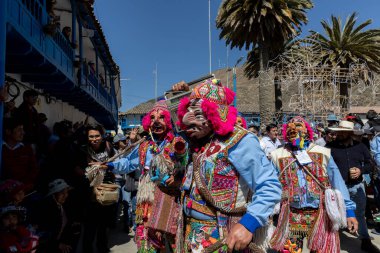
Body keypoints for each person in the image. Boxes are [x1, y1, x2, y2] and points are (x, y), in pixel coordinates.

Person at [174, 79, 281, 252]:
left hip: (224, 236)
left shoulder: (240, 141)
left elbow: (269, 186)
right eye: (188, 112)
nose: (187, 121)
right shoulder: (197, 141)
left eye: (198, 114)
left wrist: (248, 224)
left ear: (215, 114)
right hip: (191, 234)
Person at [100, 101, 188, 252]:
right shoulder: (144, 145)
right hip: (147, 198)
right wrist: (110, 165)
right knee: (147, 239)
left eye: (161, 118)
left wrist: (179, 178)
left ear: (168, 121)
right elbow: (128, 163)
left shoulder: (177, 143)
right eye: (152, 118)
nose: (156, 122)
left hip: (170, 197)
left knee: (171, 238)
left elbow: (187, 166)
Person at [270, 116, 358, 253]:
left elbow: (337, 182)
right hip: (290, 215)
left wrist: (350, 212)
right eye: (290, 127)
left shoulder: (323, 153)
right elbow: (270, 187)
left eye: (299, 125)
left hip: (321, 214)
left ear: (307, 129)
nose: (294, 129)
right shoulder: (277, 155)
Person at [327, 120, 380, 253]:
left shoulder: (360, 146)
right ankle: (333, 242)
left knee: (360, 214)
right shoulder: (329, 147)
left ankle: (365, 240)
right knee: (335, 215)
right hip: (337, 189)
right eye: (339, 132)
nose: (341, 134)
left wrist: (360, 170)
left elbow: (371, 164)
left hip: (357, 186)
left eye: (344, 132)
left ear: (351, 133)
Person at [80, 124, 116, 253]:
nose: (94, 139)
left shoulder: (108, 147)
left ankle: (102, 248)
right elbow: (77, 169)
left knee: (103, 224)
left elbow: (115, 164)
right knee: (90, 225)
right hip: (89, 192)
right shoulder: (82, 150)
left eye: (97, 136)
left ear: (102, 136)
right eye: (91, 136)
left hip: (106, 189)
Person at [34, 179, 80, 253]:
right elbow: (43, 233)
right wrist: (57, 244)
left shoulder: (62, 206)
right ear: (54, 194)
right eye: (62, 193)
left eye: (66, 192)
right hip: (45, 247)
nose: (65, 195)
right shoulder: (47, 208)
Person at [1, 118, 39, 186]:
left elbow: (34, 169)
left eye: (23, 130)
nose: (23, 133)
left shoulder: (27, 148)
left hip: (24, 189)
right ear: (8, 131)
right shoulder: (1, 149)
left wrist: (22, 185)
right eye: (19, 130)